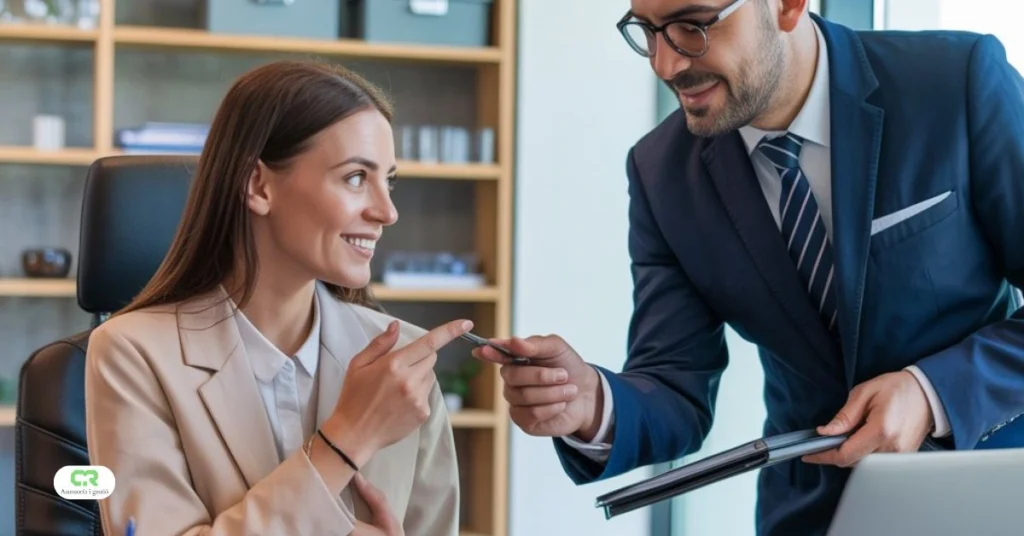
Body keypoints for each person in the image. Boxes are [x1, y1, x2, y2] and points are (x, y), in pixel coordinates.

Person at [473, 1, 1024, 535]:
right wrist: (591, 402)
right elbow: (674, 384)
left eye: (693, 25)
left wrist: (932, 392)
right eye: (647, 29)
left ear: (787, 5)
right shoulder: (659, 172)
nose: (666, 64)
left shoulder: (956, 82)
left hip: (993, 494)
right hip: (813, 516)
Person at [84, 59, 474, 536]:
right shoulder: (131, 354)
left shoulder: (405, 364)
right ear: (259, 185)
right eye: (355, 177)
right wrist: (347, 436)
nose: (387, 211)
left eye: (387, 180)